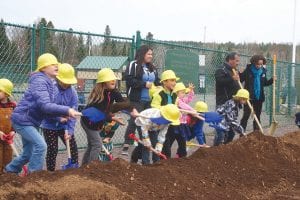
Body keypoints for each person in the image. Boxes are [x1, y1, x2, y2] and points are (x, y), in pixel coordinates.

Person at [5, 53, 81, 174]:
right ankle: (34, 176)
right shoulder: (40, 81)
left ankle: (9, 170)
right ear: (43, 68)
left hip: (31, 120)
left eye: (57, 64)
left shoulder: (48, 82)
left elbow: (45, 110)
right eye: (52, 64)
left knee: (27, 154)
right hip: (24, 120)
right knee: (41, 146)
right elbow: (45, 105)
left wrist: (60, 118)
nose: (56, 66)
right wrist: (67, 110)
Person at [80, 68, 127, 165]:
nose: (113, 80)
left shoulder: (114, 92)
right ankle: (91, 167)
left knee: (91, 145)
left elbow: (123, 103)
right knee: (97, 144)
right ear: (103, 82)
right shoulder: (99, 97)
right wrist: (113, 118)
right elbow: (101, 114)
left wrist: (133, 110)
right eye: (110, 79)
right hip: (88, 121)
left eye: (114, 78)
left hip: (97, 122)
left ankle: (84, 166)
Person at [122, 45, 160, 156]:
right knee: (139, 122)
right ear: (142, 54)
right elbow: (128, 80)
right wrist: (144, 84)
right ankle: (133, 147)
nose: (151, 56)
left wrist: (161, 85)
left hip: (150, 101)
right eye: (149, 54)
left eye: (151, 54)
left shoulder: (152, 67)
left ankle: (137, 149)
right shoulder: (133, 65)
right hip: (136, 100)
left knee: (146, 124)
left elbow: (157, 81)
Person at [41, 63, 79, 171]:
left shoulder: (73, 93)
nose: (67, 84)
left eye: (69, 82)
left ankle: (74, 169)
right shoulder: (51, 89)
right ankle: (50, 172)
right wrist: (58, 118)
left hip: (65, 126)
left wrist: (70, 131)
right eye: (65, 81)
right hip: (49, 125)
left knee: (72, 146)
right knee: (53, 149)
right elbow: (46, 110)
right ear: (58, 78)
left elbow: (73, 113)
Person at [240, 55, 274, 131]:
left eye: (261, 64)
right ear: (253, 62)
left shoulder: (263, 72)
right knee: (246, 115)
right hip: (248, 97)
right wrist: (240, 73)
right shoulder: (248, 70)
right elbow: (241, 80)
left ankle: (256, 132)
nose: (259, 66)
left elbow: (264, 83)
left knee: (257, 115)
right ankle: (242, 133)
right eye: (257, 64)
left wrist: (272, 80)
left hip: (259, 97)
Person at [151, 70, 179, 159]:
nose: (174, 83)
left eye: (175, 81)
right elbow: (154, 107)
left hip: (169, 122)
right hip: (159, 122)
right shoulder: (159, 94)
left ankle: (164, 161)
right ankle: (136, 156)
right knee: (157, 142)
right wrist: (165, 110)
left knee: (166, 143)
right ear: (164, 82)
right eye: (172, 80)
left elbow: (175, 107)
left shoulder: (174, 95)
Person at [169, 82, 201, 157]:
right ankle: (165, 155)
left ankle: (180, 155)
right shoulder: (177, 100)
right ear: (176, 93)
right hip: (175, 124)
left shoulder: (182, 99)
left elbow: (189, 99)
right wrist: (193, 111)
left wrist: (191, 91)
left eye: (184, 92)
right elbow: (186, 107)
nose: (184, 94)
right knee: (171, 140)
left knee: (182, 141)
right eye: (182, 92)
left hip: (182, 124)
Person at [215, 52, 240, 144]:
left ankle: (226, 148)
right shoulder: (221, 70)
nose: (238, 63)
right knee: (221, 129)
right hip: (223, 104)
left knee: (231, 130)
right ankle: (217, 148)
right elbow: (220, 81)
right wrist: (232, 79)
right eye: (236, 61)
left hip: (233, 104)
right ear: (230, 60)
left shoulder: (234, 70)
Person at [0, 79, 16, 172]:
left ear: (6, 94)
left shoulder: (13, 105)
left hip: (8, 137)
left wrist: (13, 131)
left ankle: (7, 175)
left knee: (8, 157)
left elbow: (15, 121)